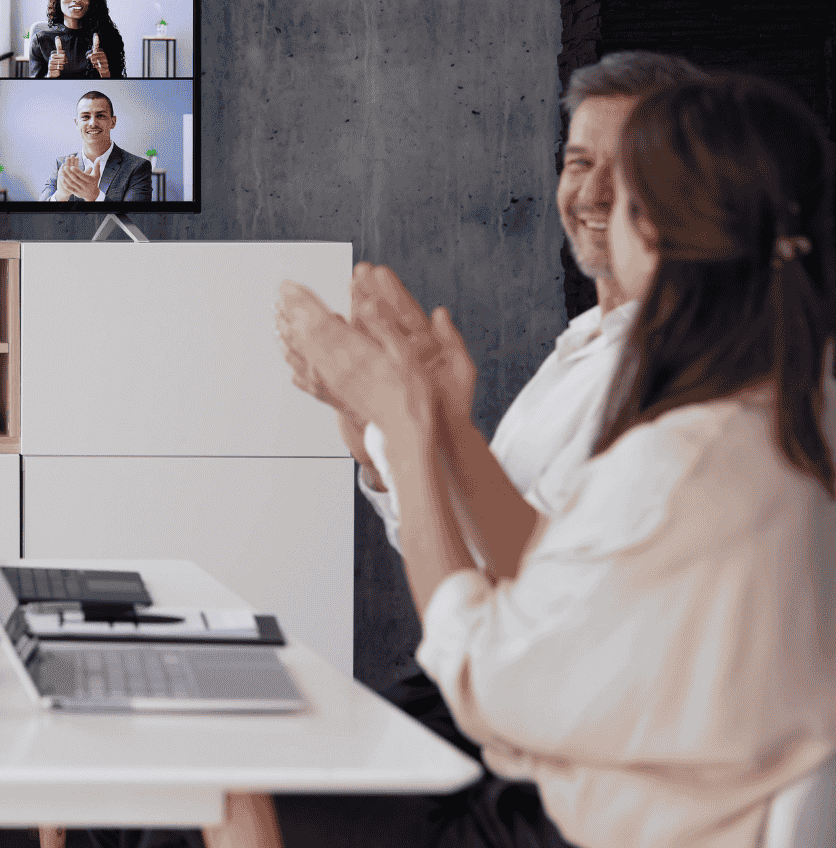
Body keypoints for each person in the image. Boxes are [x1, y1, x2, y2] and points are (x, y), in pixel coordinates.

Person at [278, 73, 836, 847]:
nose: (597, 198)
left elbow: (484, 671)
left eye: (629, 182)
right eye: (579, 163)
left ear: (660, 230)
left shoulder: (682, 449)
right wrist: (438, 430)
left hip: (595, 812)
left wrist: (409, 431)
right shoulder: (773, 405)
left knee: (214, 799)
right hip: (626, 775)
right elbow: (551, 572)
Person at [40, 92, 150, 202]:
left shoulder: (137, 167)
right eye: (85, 117)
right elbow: (38, 216)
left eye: (100, 116)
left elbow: (135, 218)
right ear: (77, 123)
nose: (93, 123)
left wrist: (95, 196)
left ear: (113, 122)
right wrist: (60, 195)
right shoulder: (61, 164)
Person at [27, 0, 126, 80]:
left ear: (92, 1)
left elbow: (117, 85)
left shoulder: (109, 37)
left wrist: (106, 74)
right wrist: (50, 76)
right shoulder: (41, 40)